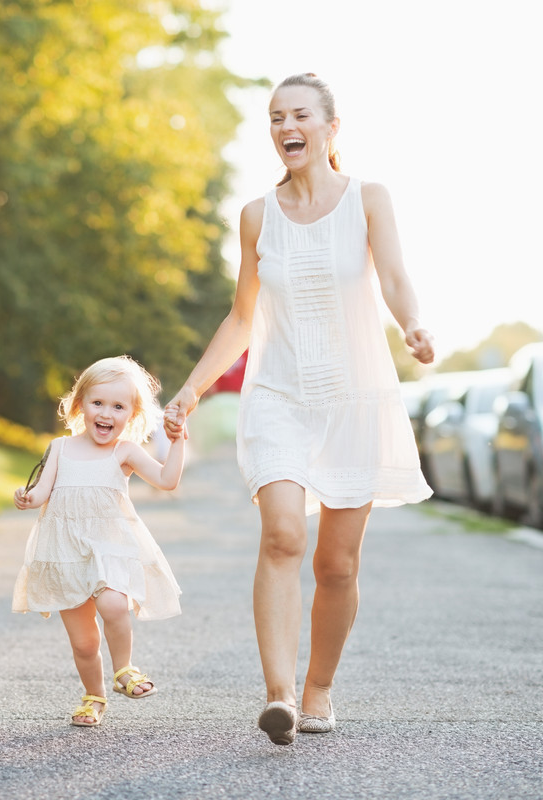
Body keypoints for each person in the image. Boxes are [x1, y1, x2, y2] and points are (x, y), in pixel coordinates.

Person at [164, 73, 434, 746]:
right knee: (283, 534)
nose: (287, 125)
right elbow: (242, 317)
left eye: (300, 114)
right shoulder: (257, 215)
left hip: (354, 398)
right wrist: (192, 389)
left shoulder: (369, 199)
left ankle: (319, 689)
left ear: (330, 128)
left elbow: (396, 278)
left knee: (336, 565)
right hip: (280, 395)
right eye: (276, 116)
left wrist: (414, 325)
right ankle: (279, 694)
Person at [12, 355, 186, 727]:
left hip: (109, 551)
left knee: (113, 605)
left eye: (118, 406)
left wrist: (178, 442)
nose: (106, 413)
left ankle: (124, 669)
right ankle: (94, 697)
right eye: (98, 403)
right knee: (85, 644)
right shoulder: (60, 448)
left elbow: (167, 480)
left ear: (132, 414)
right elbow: (41, 493)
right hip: (66, 556)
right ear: (80, 405)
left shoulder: (124, 451)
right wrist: (26, 498)